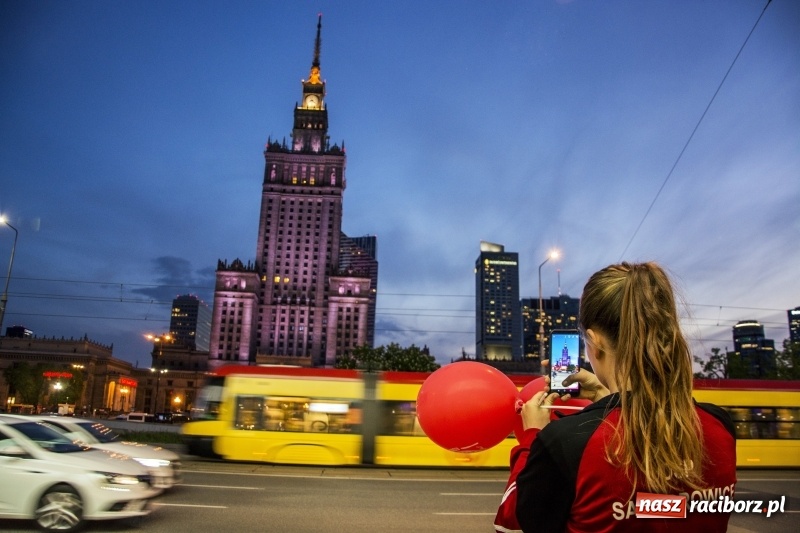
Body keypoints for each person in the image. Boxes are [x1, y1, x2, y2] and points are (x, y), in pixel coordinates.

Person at [494, 262, 736, 532]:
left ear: (595, 343)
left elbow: (511, 526)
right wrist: (606, 397)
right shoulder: (720, 425)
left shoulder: (564, 443)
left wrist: (532, 437)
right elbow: (663, 507)